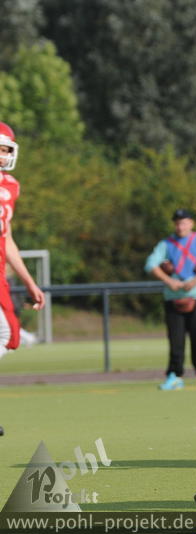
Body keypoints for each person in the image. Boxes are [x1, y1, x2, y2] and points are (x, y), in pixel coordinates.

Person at [0, 121, 46, 438]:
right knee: (7, 332)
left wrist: (29, 281)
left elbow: (7, 239)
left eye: (7, 149)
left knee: (10, 335)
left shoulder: (11, 186)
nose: (3, 155)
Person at [145, 209, 196, 390]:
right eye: (177, 223)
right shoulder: (166, 243)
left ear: (191, 223)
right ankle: (174, 375)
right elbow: (150, 264)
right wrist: (169, 281)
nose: (180, 226)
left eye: (184, 222)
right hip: (173, 296)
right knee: (175, 339)